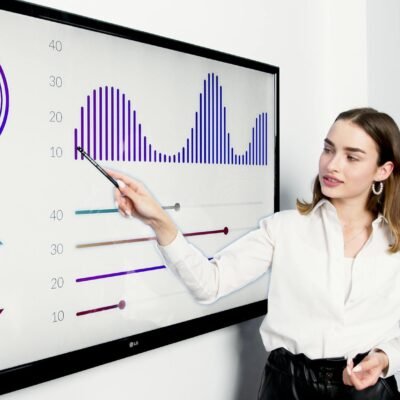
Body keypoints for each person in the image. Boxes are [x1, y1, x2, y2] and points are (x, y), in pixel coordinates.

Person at [108, 108, 400, 399]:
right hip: (288, 388)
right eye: (328, 149)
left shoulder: (395, 243)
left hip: (369, 393)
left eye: (352, 157)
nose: (332, 165)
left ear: (382, 170)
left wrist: (385, 358)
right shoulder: (284, 228)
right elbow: (209, 284)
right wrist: (159, 219)